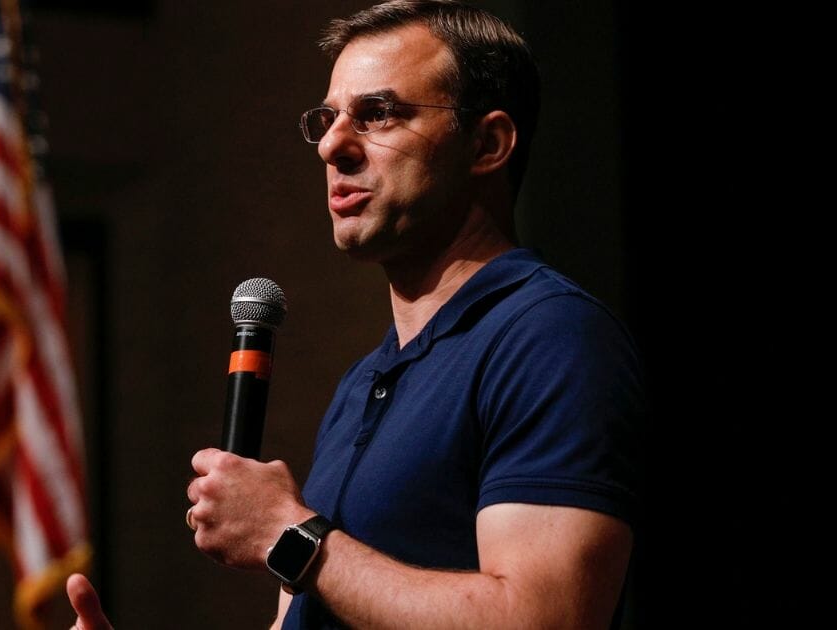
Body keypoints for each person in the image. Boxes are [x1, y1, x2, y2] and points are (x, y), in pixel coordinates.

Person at [67, 1, 643, 628]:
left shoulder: (549, 337)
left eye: (379, 114)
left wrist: (290, 536)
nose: (334, 146)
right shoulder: (361, 383)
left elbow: (546, 619)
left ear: (488, 144)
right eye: (329, 118)